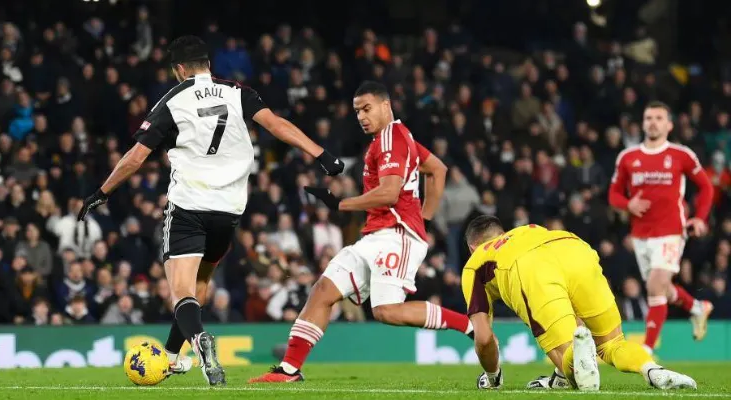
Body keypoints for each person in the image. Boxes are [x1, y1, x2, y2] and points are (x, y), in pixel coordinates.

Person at [77, 35, 344, 386]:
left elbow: (135, 157)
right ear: (207, 64)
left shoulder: (172, 100)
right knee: (201, 284)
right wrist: (322, 154)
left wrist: (102, 192)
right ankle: (172, 356)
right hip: (229, 210)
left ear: (179, 69)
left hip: (189, 205)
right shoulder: (237, 92)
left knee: (181, 290)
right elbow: (277, 125)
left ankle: (199, 340)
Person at [249, 81, 473, 383]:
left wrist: (341, 204)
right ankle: (289, 370)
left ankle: (468, 325)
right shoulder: (393, 138)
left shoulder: (392, 137)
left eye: (367, 109)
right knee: (323, 290)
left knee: (386, 311)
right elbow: (438, 169)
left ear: (385, 105)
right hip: (376, 235)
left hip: (396, 234)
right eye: (357, 112)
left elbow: (390, 193)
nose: (361, 117)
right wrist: (425, 219)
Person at [462, 215, 696, 391]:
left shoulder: (475, 262)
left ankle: (576, 356)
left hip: (531, 266)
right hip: (572, 246)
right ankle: (652, 369)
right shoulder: (527, 230)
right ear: (502, 232)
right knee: (613, 344)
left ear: (472, 247)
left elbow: (484, 338)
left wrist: (492, 376)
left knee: (570, 363)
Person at [608, 101, 714, 354]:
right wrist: (628, 204)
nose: (653, 123)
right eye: (648, 118)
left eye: (658, 118)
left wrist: (700, 218)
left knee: (655, 286)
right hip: (640, 235)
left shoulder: (681, 154)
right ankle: (698, 307)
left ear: (669, 125)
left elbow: (706, 187)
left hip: (672, 231)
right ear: (643, 123)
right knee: (662, 289)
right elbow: (613, 194)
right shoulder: (628, 157)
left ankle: (646, 350)